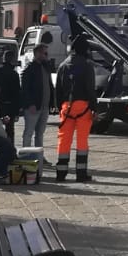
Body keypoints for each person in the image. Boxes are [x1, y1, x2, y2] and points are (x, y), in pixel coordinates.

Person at [54, 34, 97, 182]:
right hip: (83, 106)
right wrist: (94, 107)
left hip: (66, 107)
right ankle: (81, 173)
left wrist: (59, 106)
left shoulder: (63, 65)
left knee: (64, 140)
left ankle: (60, 173)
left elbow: (58, 89)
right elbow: (90, 89)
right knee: (82, 141)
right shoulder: (87, 65)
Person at [20, 41, 53, 151]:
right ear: (38, 54)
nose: (46, 56)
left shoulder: (45, 68)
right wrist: (30, 104)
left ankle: (39, 155)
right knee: (29, 132)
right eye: (45, 53)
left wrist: (52, 102)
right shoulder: (30, 69)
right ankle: (26, 155)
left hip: (44, 107)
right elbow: (25, 89)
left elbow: (49, 86)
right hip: (33, 107)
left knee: (40, 133)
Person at [0, 44, 22, 137]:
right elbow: (17, 92)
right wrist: (17, 109)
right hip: (10, 105)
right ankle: (10, 148)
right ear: (12, 60)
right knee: (10, 129)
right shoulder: (14, 74)